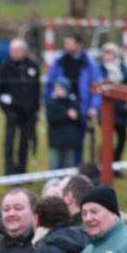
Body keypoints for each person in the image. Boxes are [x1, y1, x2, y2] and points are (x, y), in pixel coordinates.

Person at [44, 32, 100, 166]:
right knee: (57, 141)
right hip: (59, 106)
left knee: (77, 143)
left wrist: (94, 106)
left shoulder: (88, 63)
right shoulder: (59, 61)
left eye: (70, 43)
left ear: (79, 44)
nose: (67, 46)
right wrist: (47, 102)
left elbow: (96, 86)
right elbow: (50, 83)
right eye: (66, 43)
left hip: (80, 108)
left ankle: (75, 171)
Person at [0, 38, 41, 175]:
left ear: (23, 51)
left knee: (25, 142)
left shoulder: (33, 66)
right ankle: (9, 171)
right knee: (9, 141)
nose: (13, 53)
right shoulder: (4, 67)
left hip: (28, 112)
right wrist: (6, 108)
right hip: (12, 111)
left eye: (16, 50)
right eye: (12, 51)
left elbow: (37, 90)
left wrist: (36, 108)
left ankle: (22, 170)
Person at [98, 43, 127, 164]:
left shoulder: (121, 67)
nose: (108, 56)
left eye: (110, 53)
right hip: (106, 108)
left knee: (122, 137)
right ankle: (104, 164)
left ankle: (116, 163)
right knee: (107, 139)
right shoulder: (100, 69)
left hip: (120, 108)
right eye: (106, 53)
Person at [45, 77, 84, 170]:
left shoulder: (73, 102)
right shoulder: (52, 103)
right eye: (56, 88)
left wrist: (75, 117)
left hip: (69, 141)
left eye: (60, 88)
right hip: (55, 141)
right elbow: (51, 119)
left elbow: (79, 119)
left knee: (69, 166)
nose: (58, 91)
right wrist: (67, 115)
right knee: (54, 165)